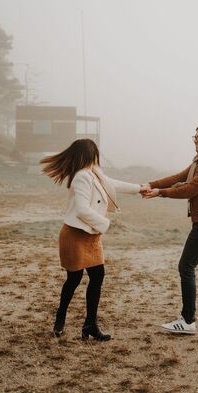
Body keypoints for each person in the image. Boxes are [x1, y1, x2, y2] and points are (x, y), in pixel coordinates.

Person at [41, 139, 147, 341]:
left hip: (91, 235)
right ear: (89, 155)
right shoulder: (81, 177)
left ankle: (90, 325)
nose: (98, 158)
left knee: (97, 276)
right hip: (75, 233)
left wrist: (139, 188)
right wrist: (105, 224)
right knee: (74, 279)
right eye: (95, 154)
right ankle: (60, 319)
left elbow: (113, 183)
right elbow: (81, 210)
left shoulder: (94, 173)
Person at [143, 124, 198, 334]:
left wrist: (160, 193)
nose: (196, 140)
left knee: (186, 267)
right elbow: (180, 177)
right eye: (194, 137)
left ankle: (187, 321)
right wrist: (150, 184)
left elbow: (190, 188)